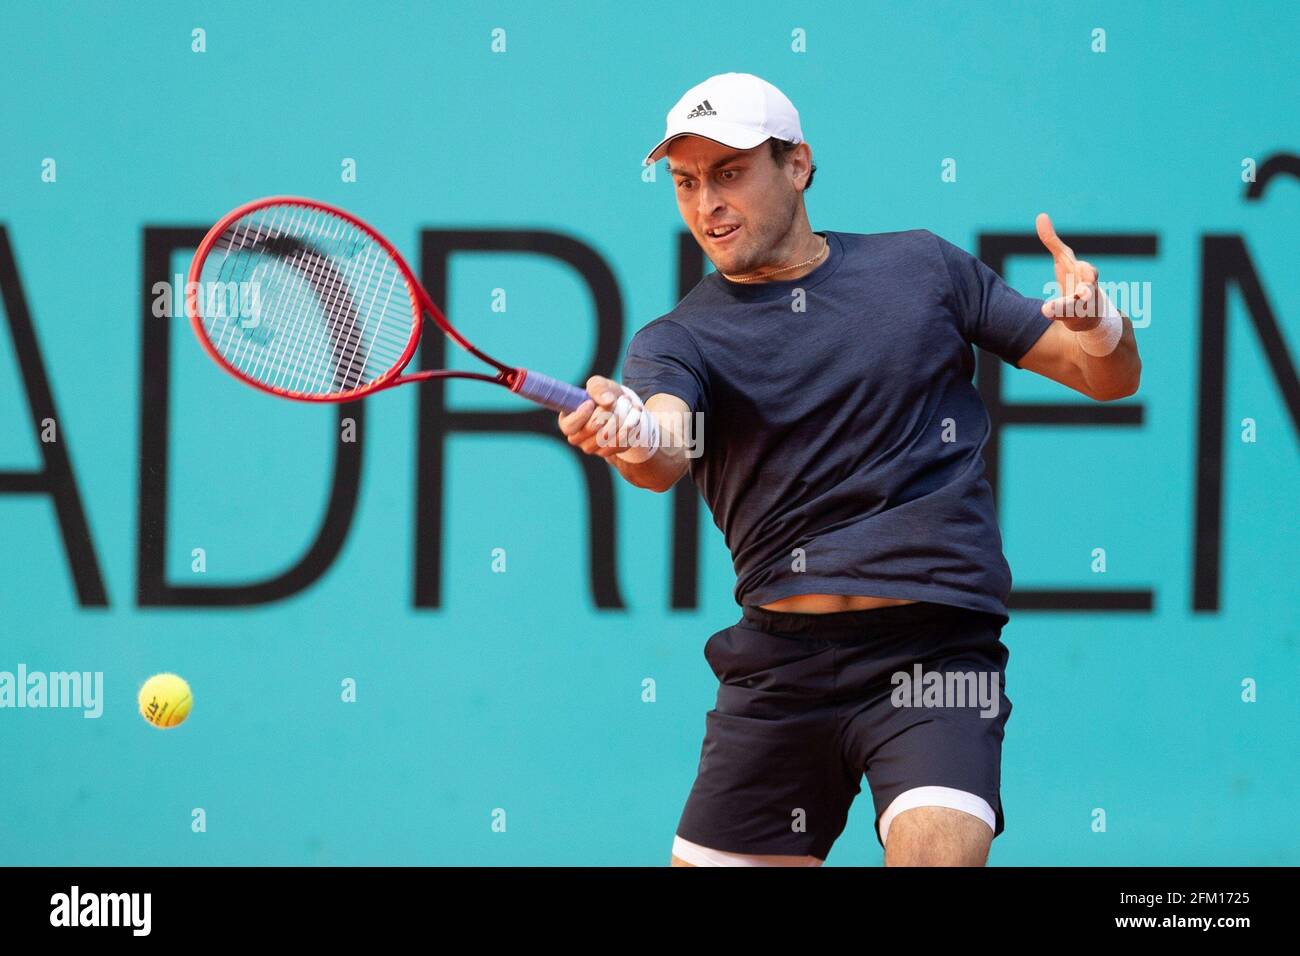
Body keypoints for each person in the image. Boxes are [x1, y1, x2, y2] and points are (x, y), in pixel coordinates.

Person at [556, 72, 1141, 866]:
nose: (706, 205)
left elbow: (1104, 378)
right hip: (778, 668)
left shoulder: (923, 270)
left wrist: (1101, 326)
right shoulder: (675, 341)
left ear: (797, 165)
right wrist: (630, 432)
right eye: (686, 182)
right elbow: (666, 450)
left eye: (729, 173)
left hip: (935, 657)